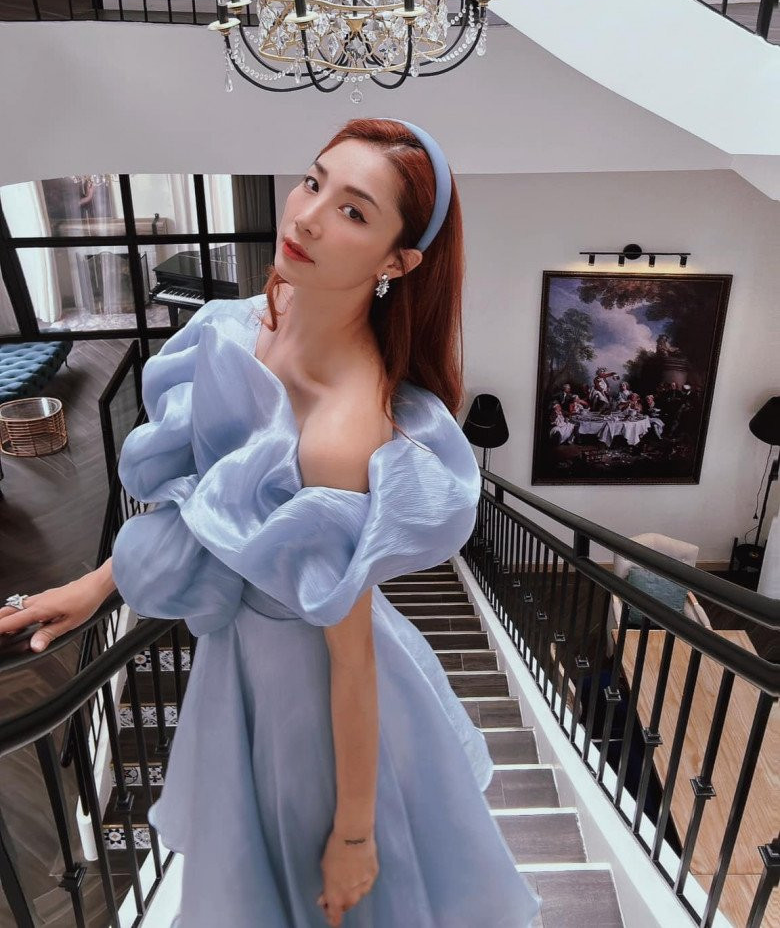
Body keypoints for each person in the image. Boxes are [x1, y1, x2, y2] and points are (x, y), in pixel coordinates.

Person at [0, 118, 542, 928]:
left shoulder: (341, 431)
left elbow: (350, 661)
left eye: (354, 211)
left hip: (307, 701)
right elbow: (213, 499)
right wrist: (98, 584)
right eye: (314, 181)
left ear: (397, 262)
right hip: (243, 664)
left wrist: (353, 833)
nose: (308, 216)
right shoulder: (252, 321)